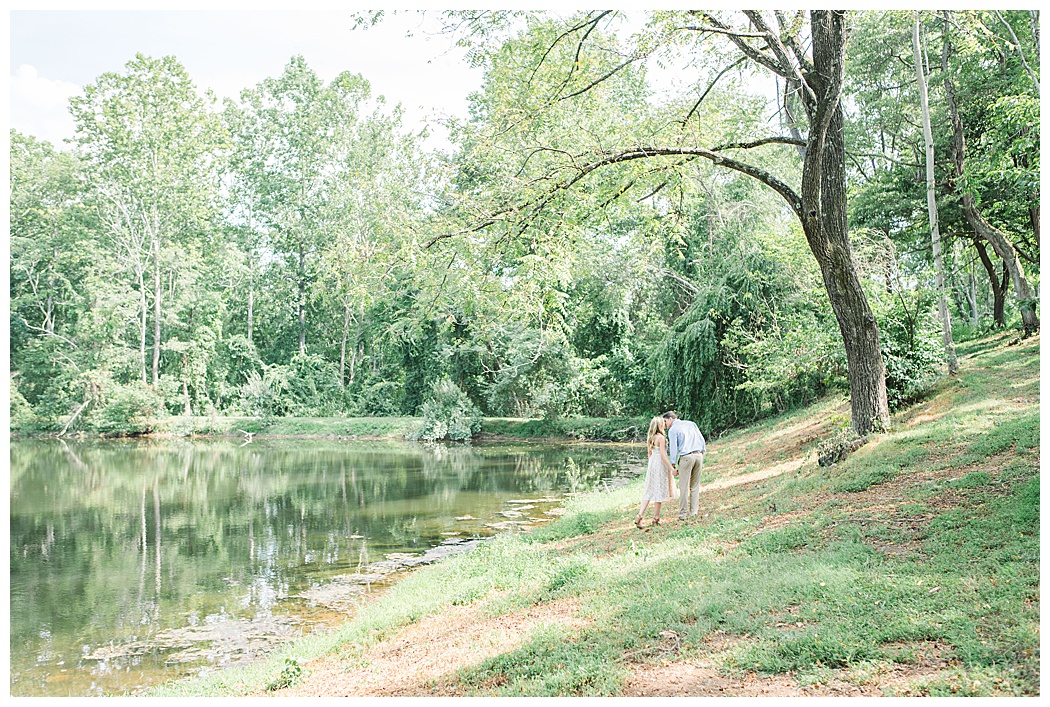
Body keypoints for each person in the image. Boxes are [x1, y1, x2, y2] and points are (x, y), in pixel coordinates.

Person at [662, 411, 706, 520]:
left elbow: (673, 448)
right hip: (698, 455)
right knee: (695, 486)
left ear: (671, 419)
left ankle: (682, 514)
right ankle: (693, 512)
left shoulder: (673, 430)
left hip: (686, 457)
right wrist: (702, 452)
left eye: (665, 421)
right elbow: (701, 439)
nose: (664, 425)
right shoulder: (691, 424)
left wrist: (673, 464)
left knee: (684, 487)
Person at [634, 416, 677, 528]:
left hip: (652, 463)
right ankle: (656, 518)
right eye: (662, 423)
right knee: (658, 489)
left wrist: (651, 466)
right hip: (659, 463)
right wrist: (671, 468)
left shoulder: (650, 437)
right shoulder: (661, 438)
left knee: (649, 490)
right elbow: (663, 455)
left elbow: (649, 454)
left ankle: (639, 515)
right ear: (659, 425)